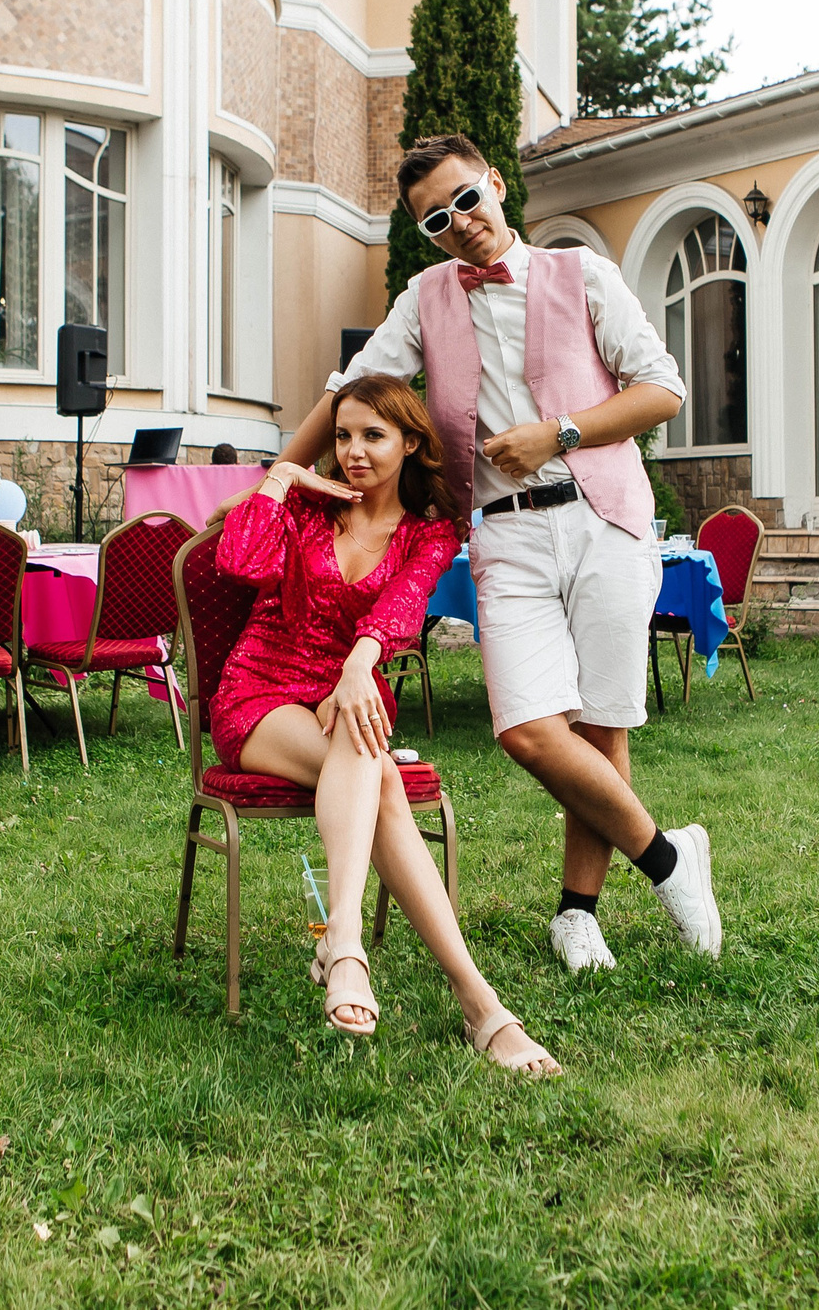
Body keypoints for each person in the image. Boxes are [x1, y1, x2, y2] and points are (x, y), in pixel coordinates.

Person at [262, 133, 722, 975]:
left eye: (466, 199)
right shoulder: (424, 298)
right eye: (437, 218)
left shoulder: (581, 274)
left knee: (600, 722)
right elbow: (351, 392)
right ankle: (669, 858)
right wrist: (283, 472)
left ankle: (578, 916)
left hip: (603, 513)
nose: (458, 224)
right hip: (503, 532)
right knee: (526, 729)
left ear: (495, 184)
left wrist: (561, 432)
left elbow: (663, 388)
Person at [214, 373, 561, 1073]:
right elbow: (235, 559)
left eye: (373, 435)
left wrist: (356, 665)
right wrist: (284, 476)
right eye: (342, 435)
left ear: (410, 441)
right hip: (260, 692)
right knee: (383, 780)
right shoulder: (308, 511)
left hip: (348, 693)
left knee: (362, 738)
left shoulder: (430, 531)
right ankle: (477, 1004)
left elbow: (401, 609)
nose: (353, 451)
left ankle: (347, 949)